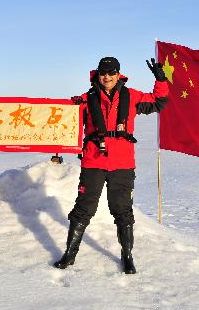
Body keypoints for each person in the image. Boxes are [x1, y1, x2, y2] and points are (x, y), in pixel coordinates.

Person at [53, 56, 169, 274]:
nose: (107, 77)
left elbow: (158, 102)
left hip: (122, 163)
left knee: (122, 210)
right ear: (98, 74)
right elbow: (58, 119)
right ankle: (70, 253)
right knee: (83, 208)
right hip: (93, 161)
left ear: (118, 74)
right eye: (103, 73)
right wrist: (70, 107)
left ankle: (127, 256)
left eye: (111, 73)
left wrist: (161, 79)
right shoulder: (86, 99)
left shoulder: (132, 96)